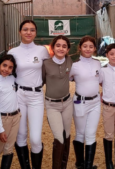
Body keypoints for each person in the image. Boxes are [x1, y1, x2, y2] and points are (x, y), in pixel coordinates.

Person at [0, 20, 50, 169]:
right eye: (25, 29)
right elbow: (5, 74)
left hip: (36, 96)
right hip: (19, 95)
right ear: (19, 31)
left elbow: (50, 71)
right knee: (20, 136)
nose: (29, 32)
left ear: (36, 32)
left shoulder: (42, 51)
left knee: (35, 139)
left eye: (32, 30)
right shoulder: (13, 52)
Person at [70, 36, 101, 169]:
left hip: (95, 102)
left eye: (91, 46)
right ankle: (79, 163)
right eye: (85, 46)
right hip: (79, 102)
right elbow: (68, 78)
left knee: (91, 133)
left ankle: (88, 165)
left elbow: (101, 80)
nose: (88, 49)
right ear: (80, 48)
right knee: (80, 133)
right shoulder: (74, 65)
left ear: (94, 48)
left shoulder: (98, 63)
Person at [42, 36, 74, 169]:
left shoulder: (69, 60)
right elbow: (40, 81)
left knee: (66, 135)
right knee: (59, 137)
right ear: (53, 47)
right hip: (52, 105)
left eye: (64, 46)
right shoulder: (46, 64)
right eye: (58, 45)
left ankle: (63, 166)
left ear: (67, 49)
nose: (61, 48)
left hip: (67, 103)